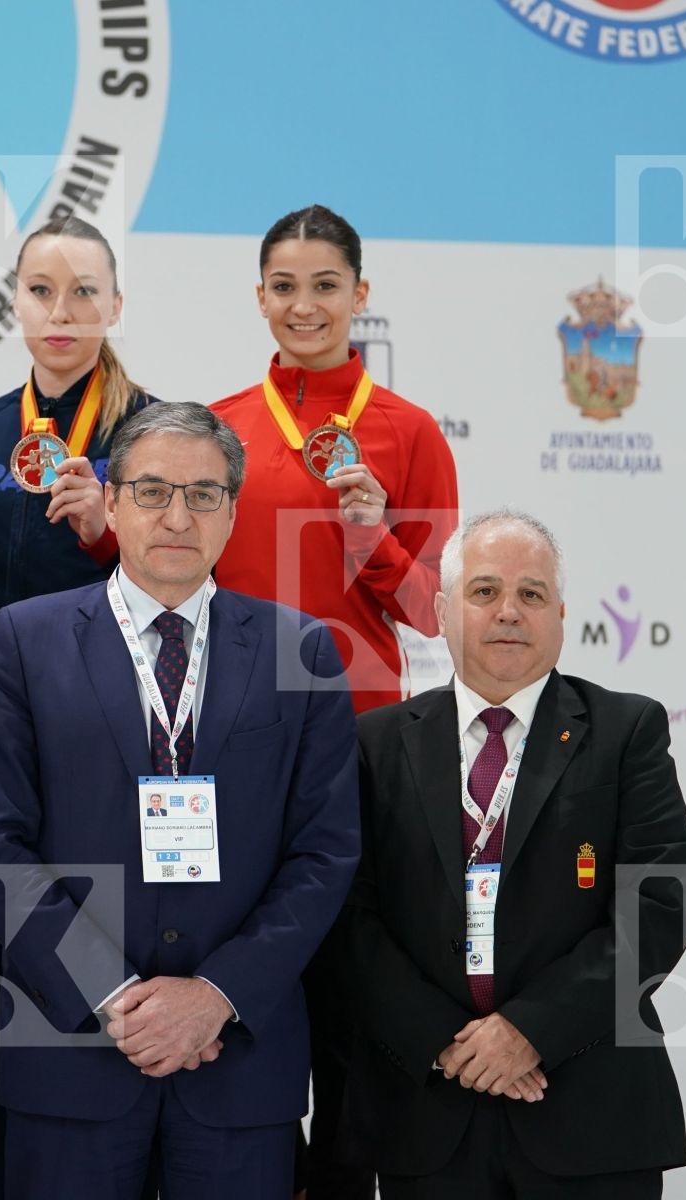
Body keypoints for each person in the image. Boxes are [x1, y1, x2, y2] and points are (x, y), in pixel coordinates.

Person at [0, 402, 362, 1199]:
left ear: (232, 512)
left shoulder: (302, 649)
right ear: (111, 503)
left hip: (238, 1064)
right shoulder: (23, 639)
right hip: (70, 1060)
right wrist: (114, 997)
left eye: (204, 494)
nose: (178, 516)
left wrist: (216, 996)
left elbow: (325, 854)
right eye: (151, 491)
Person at [336, 509, 686, 1198]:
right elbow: (349, 918)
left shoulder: (627, 731)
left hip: (591, 1110)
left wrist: (529, 1031)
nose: (509, 611)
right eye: (484, 592)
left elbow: (662, 899)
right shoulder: (374, 744)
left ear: (561, 616)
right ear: (442, 611)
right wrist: (446, 1043)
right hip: (427, 1117)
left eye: (531, 594)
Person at [208, 205, 459, 1198]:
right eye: (284, 286)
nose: (303, 306)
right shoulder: (217, 428)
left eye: (324, 286)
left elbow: (432, 611)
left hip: (358, 749)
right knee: (242, 995)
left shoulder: (408, 433)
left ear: (362, 293)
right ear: (260, 296)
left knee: (354, 1004)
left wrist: (374, 539)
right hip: (231, 748)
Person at [0, 215, 159, 1197]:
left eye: (83, 291)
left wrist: (114, 532)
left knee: (105, 995)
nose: (62, 312)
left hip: (105, 770)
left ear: (115, 304)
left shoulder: (151, 434)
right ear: (13, 303)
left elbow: (197, 601)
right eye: (42, 290)